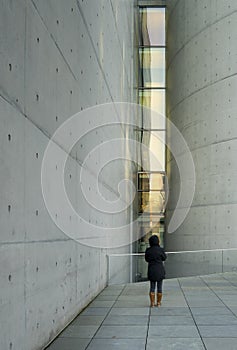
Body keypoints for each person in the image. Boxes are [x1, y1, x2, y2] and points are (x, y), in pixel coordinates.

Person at [145, 235, 167, 307]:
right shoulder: (161, 249)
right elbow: (164, 258)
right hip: (160, 270)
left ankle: (152, 303)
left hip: (152, 270)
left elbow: (147, 259)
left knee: (152, 287)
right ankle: (158, 303)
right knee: (159, 287)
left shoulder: (148, 250)